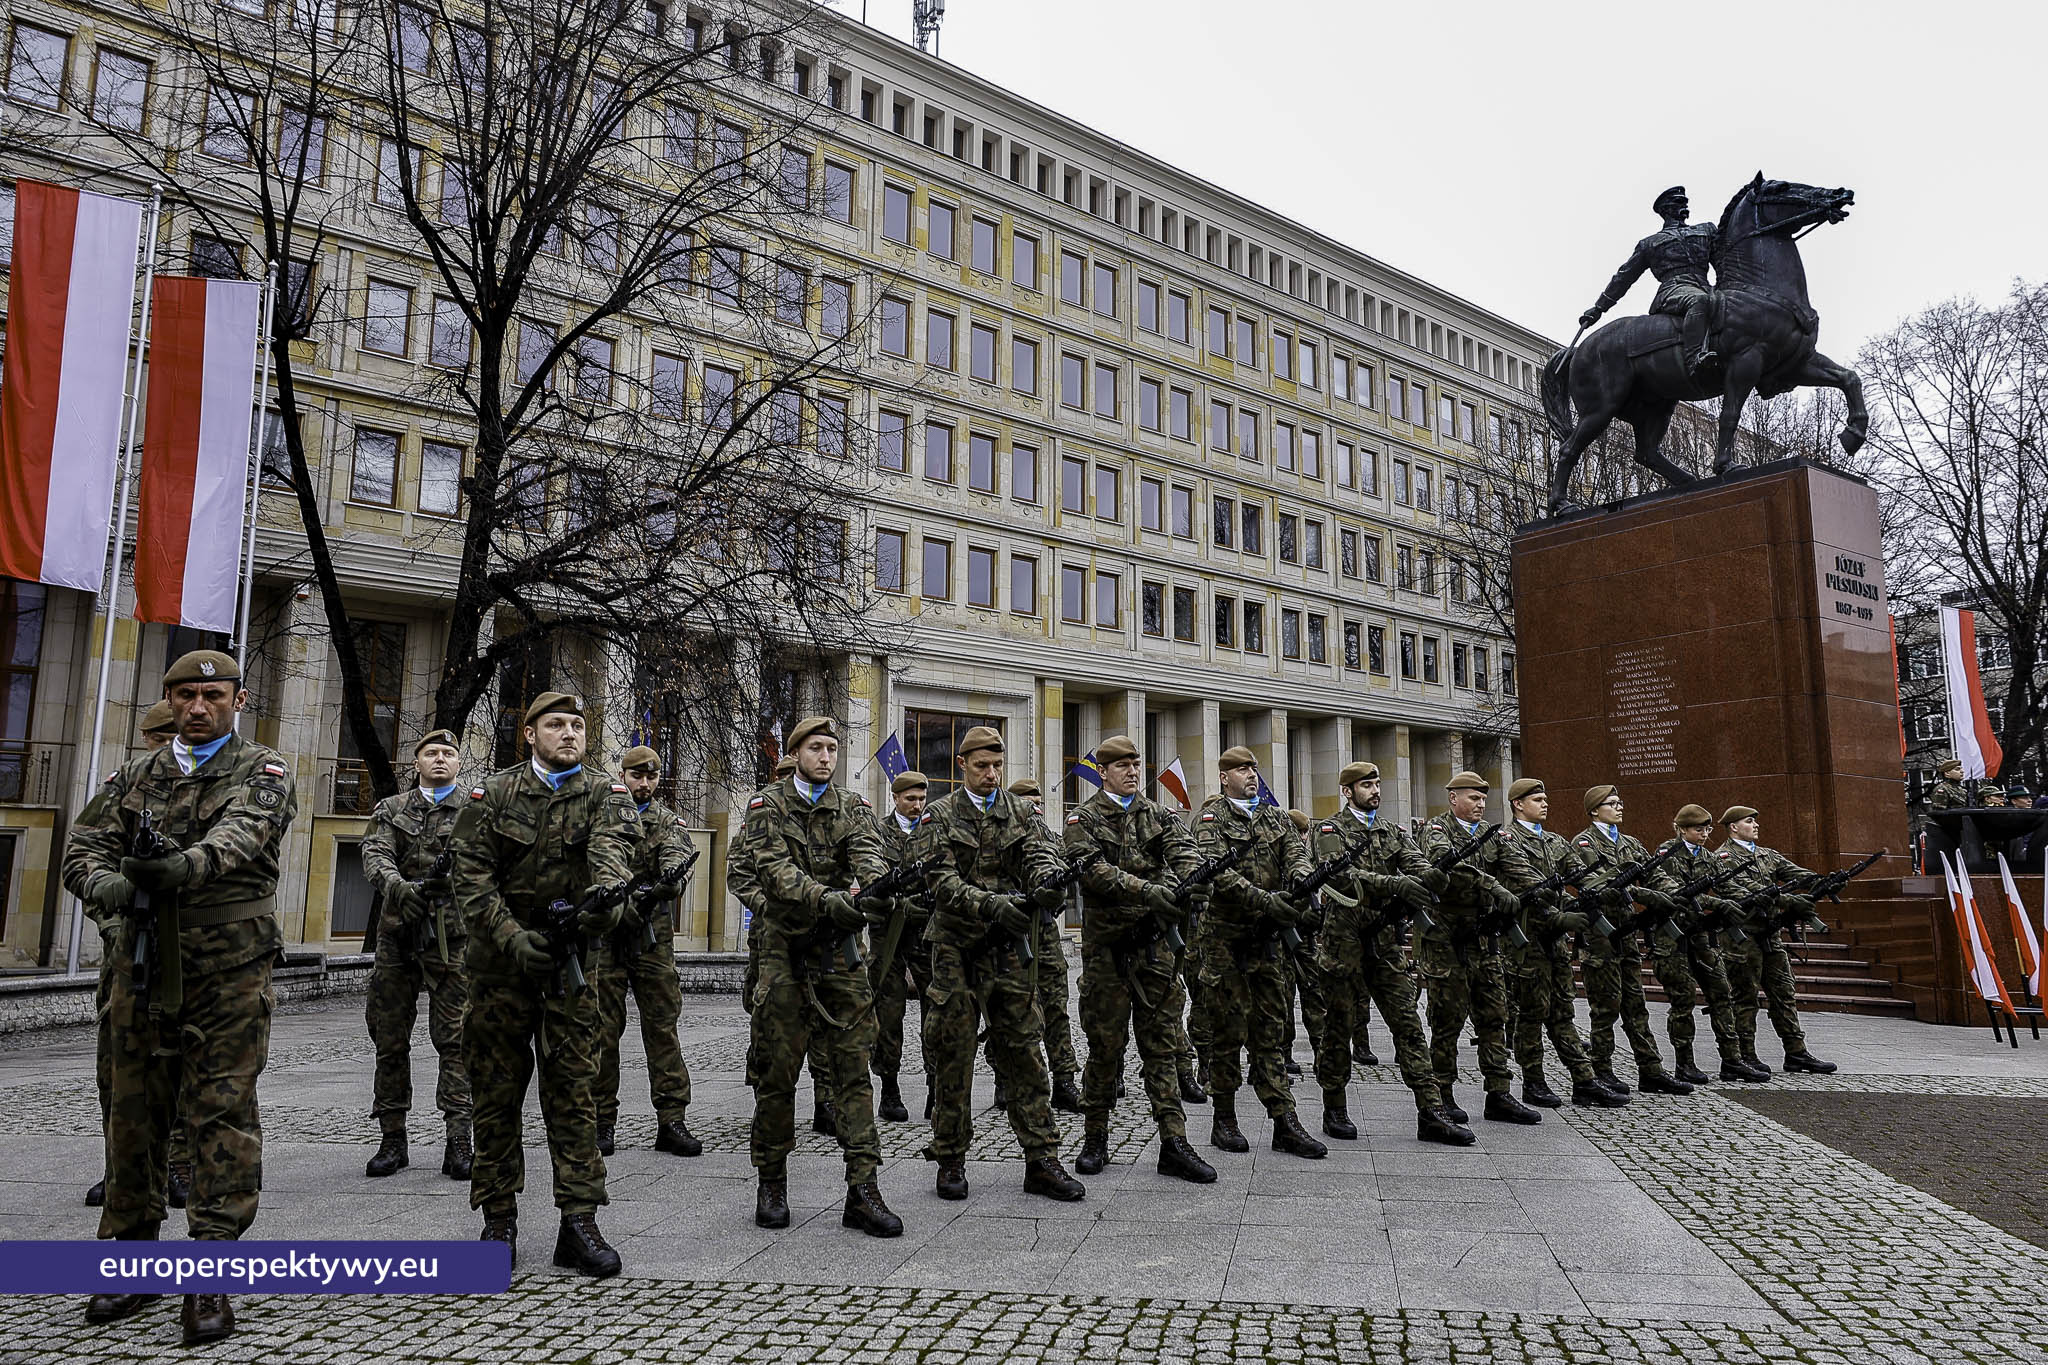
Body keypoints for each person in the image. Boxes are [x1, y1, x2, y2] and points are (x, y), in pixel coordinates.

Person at [63, 650, 298, 1345]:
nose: (199, 706)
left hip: (226, 970)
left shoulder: (263, 770)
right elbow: (83, 850)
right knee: (131, 1110)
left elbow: (239, 838)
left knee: (220, 1111)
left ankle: (210, 1269)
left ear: (239, 699)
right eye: (186, 694)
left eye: (213, 694)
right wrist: (111, 887)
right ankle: (130, 1257)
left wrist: (178, 866)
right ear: (170, 700)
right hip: (138, 964)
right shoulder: (136, 774)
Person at [453, 691, 637, 1276]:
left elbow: (613, 858)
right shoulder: (494, 794)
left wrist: (602, 909)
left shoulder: (606, 794)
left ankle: (579, 1220)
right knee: (496, 1094)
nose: (568, 734)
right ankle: (498, 1218)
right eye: (554, 724)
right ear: (528, 734)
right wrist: (512, 937)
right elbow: (471, 877)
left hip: (570, 971)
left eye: (577, 725)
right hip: (500, 974)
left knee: (574, 1094)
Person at [728, 716, 900, 1236]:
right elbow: (776, 874)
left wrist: (872, 890)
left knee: (853, 1070)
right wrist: (829, 901)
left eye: (832, 748)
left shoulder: (852, 807)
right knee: (777, 1072)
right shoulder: (766, 806)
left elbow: (867, 854)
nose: (826, 756)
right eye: (816, 748)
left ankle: (863, 1189)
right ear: (795, 751)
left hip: (839, 953)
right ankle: (772, 1181)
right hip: (783, 949)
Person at [907, 726, 1085, 1202]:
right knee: (953, 1056)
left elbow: (1040, 856)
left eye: (998, 766)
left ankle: (1042, 1158)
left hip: (1008, 952)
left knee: (1025, 1050)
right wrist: (991, 905)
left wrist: (1047, 883)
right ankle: (949, 1158)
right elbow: (941, 883)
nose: (991, 774)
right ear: (962, 765)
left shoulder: (1019, 812)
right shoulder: (938, 817)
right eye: (982, 766)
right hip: (955, 953)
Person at [1062, 735, 1217, 1183]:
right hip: (1107, 954)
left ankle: (1173, 1141)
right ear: (1103, 770)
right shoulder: (1083, 819)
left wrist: (1193, 883)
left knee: (1161, 1047)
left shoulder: (1159, 815)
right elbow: (1092, 870)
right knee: (1104, 1049)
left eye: (1136, 764)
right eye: (1123, 765)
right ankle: (1096, 1137)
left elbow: (1185, 854)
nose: (1133, 771)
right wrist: (1151, 891)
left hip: (1154, 954)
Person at [1307, 761, 1475, 1145]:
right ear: (1348, 791)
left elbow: (1416, 863)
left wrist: (1434, 874)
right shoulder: (1329, 829)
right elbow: (1339, 875)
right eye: (1367, 785)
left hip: (1382, 944)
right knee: (1338, 1029)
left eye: (1378, 783)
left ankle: (1431, 1112)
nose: (1375, 790)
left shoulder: (1390, 831)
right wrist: (1396, 886)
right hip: (1342, 943)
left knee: (1408, 1026)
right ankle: (1334, 1107)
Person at [1192, 747, 1327, 1159]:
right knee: (1227, 1033)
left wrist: (1301, 884)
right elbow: (1218, 871)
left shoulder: (1274, 817)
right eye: (1241, 769)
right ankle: (1224, 1119)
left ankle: (1284, 1121)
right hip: (1226, 942)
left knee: (1271, 1033)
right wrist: (1267, 901)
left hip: (1267, 944)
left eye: (1253, 768)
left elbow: (1297, 855)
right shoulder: (1211, 820)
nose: (1250, 775)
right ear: (1223, 777)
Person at [81, 700, 185, 1211]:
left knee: (187, 1068)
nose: (169, 745)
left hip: (193, 951)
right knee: (118, 1071)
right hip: (130, 950)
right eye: (160, 737)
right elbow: (87, 866)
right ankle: (118, 1168)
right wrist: (116, 920)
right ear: (146, 738)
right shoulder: (124, 786)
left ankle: (179, 1167)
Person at [359, 729, 472, 1181]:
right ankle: (392, 1138)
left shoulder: (473, 810)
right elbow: (375, 854)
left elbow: (485, 861)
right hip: (398, 937)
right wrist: (399, 889)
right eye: (431, 753)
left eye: (448, 754)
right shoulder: (391, 809)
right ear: (417, 762)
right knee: (389, 1038)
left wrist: (452, 885)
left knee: (457, 1040)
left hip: (453, 938)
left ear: (459, 764)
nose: (440, 759)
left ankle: (459, 1139)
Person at [590, 745, 701, 1160]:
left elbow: (676, 857)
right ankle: (602, 1119)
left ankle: (672, 1119)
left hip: (651, 935)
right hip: (608, 932)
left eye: (652, 777)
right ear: (624, 774)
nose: (645, 784)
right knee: (602, 1029)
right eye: (638, 776)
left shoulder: (667, 821)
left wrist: (671, 882)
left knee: (662, 1028)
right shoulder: (604, 816)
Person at [1416, 772, 1544, 1126]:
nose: (1480, 805)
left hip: (1483, 940)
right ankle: (1442, 1092)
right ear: (1453, 798)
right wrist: (1493, 885)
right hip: (1446, 940)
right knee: (1447, 1020)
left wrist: (1543, 891)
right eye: (1473, 798)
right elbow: (1450, 867)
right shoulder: (1437, 831)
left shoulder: (1494, 836)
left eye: (1483, 799)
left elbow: (1518, 866)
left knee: (1494, 1016)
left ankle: (1499, 1093)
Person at [729, 754, 842, 1139]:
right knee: (769, 1017)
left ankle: (826, 1099)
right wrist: (769, 906)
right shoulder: (757, 823)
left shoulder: (828, 820)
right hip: (771, 937)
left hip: (820, 934)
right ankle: (770, 1092)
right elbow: (739, 873)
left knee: (824, 1017)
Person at [1497, 779, 1627, 1110]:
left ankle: (1584, 1081)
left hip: (1555, 943)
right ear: (1517, 805)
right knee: (1531, 1014)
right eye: (1537, 799)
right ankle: (1534, 1082)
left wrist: (1606, 887)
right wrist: (1559, 916)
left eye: (1545, 798)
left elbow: (1581, 875)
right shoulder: (1508, 841)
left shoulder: (1554, 841)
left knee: (1563, 1013)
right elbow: (1530, 885)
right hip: (1527, 942)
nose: (1544, 804)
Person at [1572, 787, 1694, 1097]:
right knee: (1605, 1007)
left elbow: (1652, 874)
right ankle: (1601, 1069)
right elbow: (1601, 884)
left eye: (1619, 802)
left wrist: (1674, 892)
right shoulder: (1583, 844)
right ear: (1594, 810)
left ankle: (1650, 1070)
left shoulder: (1630, 843)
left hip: (1626, 934)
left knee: (1636, 1005)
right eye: (1611, 804)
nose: (1618, 807)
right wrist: (1653, 896)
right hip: (1600, 937)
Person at [1648, 805, 1769, 1084]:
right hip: (1673, 937)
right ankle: (1685, 1063)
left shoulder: (1707, 856)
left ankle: (1732, 1060)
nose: (1704, 835)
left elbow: (1726, 887)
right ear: (1681, 829)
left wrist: (1754, 897)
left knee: (1721, 993)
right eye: (1698, 829)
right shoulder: (1666, 853)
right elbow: (1678, 891)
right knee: (1683, 999)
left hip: (1701, 935)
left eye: (1707, 829)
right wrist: (1718, 903)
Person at [1717, 806, 1838, 1076]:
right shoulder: (1723, 858)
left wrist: (1824, 882)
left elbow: (1797, 873)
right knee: (1745, 997)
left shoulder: (1766, 855)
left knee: (1784, 993)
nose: (1756, 826)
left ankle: (1796, 1052)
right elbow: (1745, 892)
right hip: (1743, 938)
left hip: (1771, 936)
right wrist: (1788, 900)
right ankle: (1744, 1055)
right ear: (1733, 827)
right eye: (1749, 822)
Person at [998, 778, 1083, 1115]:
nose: (1034, 804)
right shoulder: (1002, 835)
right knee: (1009, 1010)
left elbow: (1066, 879)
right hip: (1012, 931)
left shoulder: (1049, 837)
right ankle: (1004, 1080)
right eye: (1026, 799)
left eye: (1037, 798)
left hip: (1045, 930)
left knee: (1057, 1007)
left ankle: (1064, 1079)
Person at [1580, 185, 1719, 373]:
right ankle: (1694, 358)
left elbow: (1725, 259)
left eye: (1685, 201)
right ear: (1666, 209)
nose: (1684, 205)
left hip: (1706, 286)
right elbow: (1624, 277)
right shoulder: (1650, 243)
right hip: (1674, 289)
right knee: (1699, 301)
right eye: (1678, 202)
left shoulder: (1706, 230)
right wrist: (1599, 308)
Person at [867, 770, 935, 1123]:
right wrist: (897, 902)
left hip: (925, 935)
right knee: (889, 1014)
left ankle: (935, 1088)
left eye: (922, 799)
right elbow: (872, 880)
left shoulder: (932, 833)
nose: (917, 805)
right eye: (911, 799)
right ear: (896, 798)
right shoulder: (878, 832)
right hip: (888, 936)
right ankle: (889, 1088)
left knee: (936, 1012)